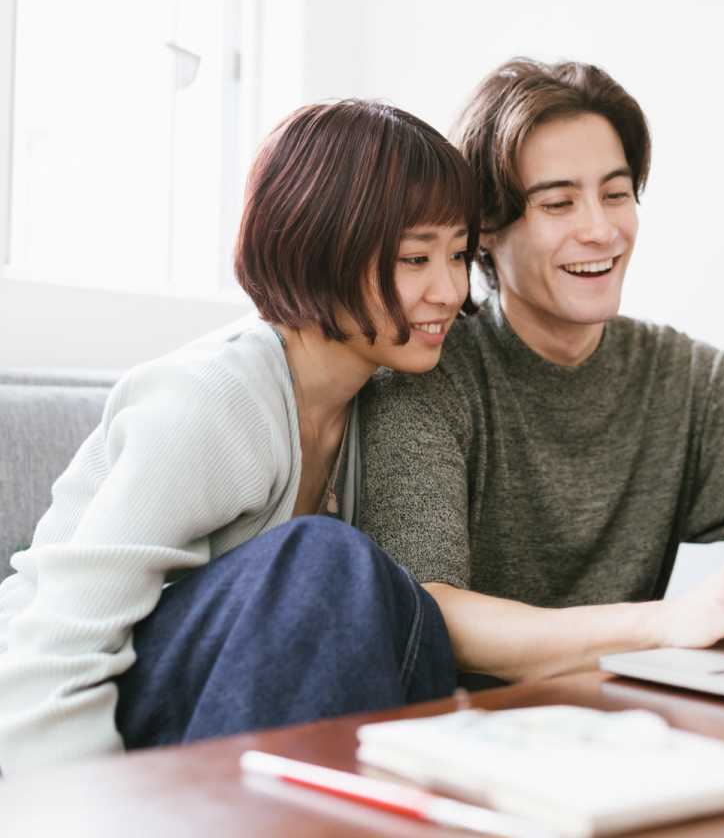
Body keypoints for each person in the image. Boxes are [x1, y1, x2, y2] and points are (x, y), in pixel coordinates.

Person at [358, 59, 724, 684]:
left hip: (629, 729)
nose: (602, 229)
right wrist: (669, 623)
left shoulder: (682, 377)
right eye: (558, 203)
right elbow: (432, 609)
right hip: (472, 732)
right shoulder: (427, 378)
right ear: (485, 233)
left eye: (616, 194)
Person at [0, 100, 478, 775]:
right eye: (414, 258)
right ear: (318, 248)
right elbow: (53, 652)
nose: (449, 289)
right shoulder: (213, 399)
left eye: (459, 254)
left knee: (409, 611)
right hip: (55, 723)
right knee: (323, 562)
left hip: (224, 719)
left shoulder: (377, 400)